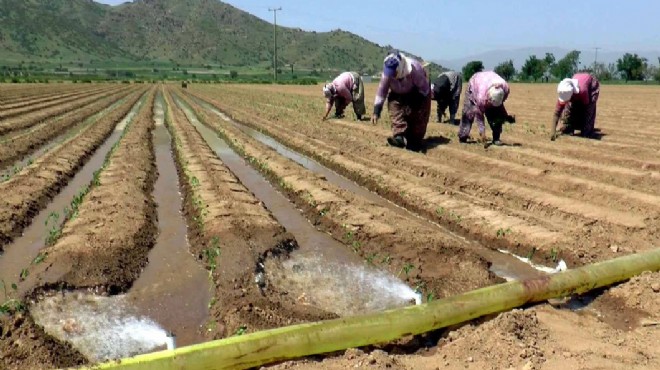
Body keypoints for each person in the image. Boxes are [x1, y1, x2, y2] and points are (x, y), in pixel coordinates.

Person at [370, 51, 431, 152]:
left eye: (394, 73)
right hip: (397, 93)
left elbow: (424, 90)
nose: (392, 76)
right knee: (394, 105)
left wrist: (416, 104)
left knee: (418, 117)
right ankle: (399, 136)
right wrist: (376, 111)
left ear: (400, 68)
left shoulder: (415, 70)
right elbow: (382, 91)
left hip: (418, 93)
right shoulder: (387, 74)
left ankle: (415, 140)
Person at [457, 71, 515, 146]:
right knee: (468, 112)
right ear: (488, 98)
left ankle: (496, 138)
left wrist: (505, 116)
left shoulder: (505, 89)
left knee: (495, 114)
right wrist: (482, 133)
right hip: (475, 83)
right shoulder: (481, 98)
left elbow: (500, 106)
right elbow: (479, 117)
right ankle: (463, 136)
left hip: (489, 79)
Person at [550, 73, 600, 140]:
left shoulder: (583, 91)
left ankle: (587, 131)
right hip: (577, 82)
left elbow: (586, 108)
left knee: (588, 109)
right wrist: (553, 131)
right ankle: (568, 128)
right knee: (568, 108)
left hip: (590, 86)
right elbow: (557, 113)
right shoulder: (564, 90)